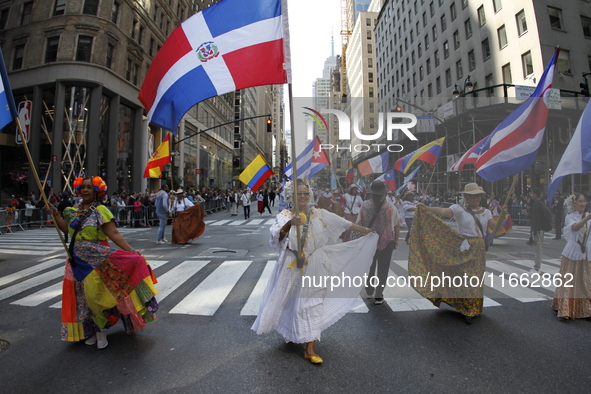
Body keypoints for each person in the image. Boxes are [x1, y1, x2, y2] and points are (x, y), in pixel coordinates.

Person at [252, 180, 378, 364]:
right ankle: (293, 333)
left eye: (305, 193)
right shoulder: (285, 215)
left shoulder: (319, 213)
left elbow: (344, 224)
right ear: (291, 196)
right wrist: (289, 225)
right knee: (290, 301)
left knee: (312, 303)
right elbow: (276, 236)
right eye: (299, 193)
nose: (303, 196)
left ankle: (310, 348)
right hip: (292, 264)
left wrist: (366, 230)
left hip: (316, 264)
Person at [46, 176, 158, 348]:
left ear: (97, 190)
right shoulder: (73, 210)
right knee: (82, 299)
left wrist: (130, 250)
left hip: (97, 261)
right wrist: (55, 214)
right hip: (76, 261)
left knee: (95, 297)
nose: (85, 190)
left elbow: (114, 234)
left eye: (89, 187)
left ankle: (101, 330)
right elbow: (66, 229)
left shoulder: (101, 210)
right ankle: (93, 331)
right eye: (82, 187)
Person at [409, 183, 506, 324]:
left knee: (476, 279)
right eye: (474, 196)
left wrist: (502, 217)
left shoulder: (486, 211)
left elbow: (494, 227)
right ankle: (466, 307)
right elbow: (443, 212)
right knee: (465, 279)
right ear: (467, 196)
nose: (477, 198)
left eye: (479, 195)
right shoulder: (459, 209)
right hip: (464, 247)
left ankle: (473, 309)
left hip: (479, 249)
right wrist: (426, 208)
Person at [357, 181, 400, 305]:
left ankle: (369, 289)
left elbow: (359, 222)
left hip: (369, 241)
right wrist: (396, 240)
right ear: (384, 193)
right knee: (383, 268)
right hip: (386, 242)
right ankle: (379, 294)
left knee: (369, 267)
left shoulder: (364, 206)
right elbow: (396, 225)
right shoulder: (391, 207)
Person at [552, 193, 591, 319]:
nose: (583, 204)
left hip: (585, 253)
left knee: (585, 282)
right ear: (574, 204)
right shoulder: (570, 217)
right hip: (573, 252)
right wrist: (586, 219)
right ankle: (566, 307)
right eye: (580, 201)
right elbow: (574, 228)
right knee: (569, 281)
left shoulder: (586, 216)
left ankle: (585, 308)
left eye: (584, 201)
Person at [529, 187, 545, 273]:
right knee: (539, 248)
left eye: (532, 193)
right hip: (541, 228)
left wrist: (534, 233)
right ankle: (537, 266)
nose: (532, 195)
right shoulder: (542, 203)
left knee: (538, 248)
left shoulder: (536, 205)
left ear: (535, 194)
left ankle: (537, 267)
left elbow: (536, 219)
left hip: (538, 229)